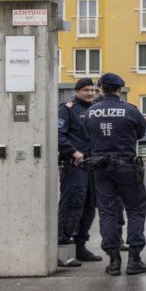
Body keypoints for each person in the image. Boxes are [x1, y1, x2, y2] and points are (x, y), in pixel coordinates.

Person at [85, 72, 146, 276]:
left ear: (101, 89)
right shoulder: (130, 111)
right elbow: (141, 133)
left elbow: (87, 133)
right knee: (135, 210)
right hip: (127, 166)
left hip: (100, 168)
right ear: (119, 90)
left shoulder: (91, 112)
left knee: (107, 211)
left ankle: (113, 261)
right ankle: (134, 259)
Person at [57, 77, 103, 266]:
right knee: (72, 206)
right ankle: (61, 248)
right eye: (86, 90)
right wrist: (73, 152)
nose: (90, 93)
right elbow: (58, 134)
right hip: (74, 166)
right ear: (77, 91)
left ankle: (80, 246)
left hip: (92, 166)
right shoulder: (67, 109)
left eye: (92, 90)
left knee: (89, 208)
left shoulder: (95, 110)